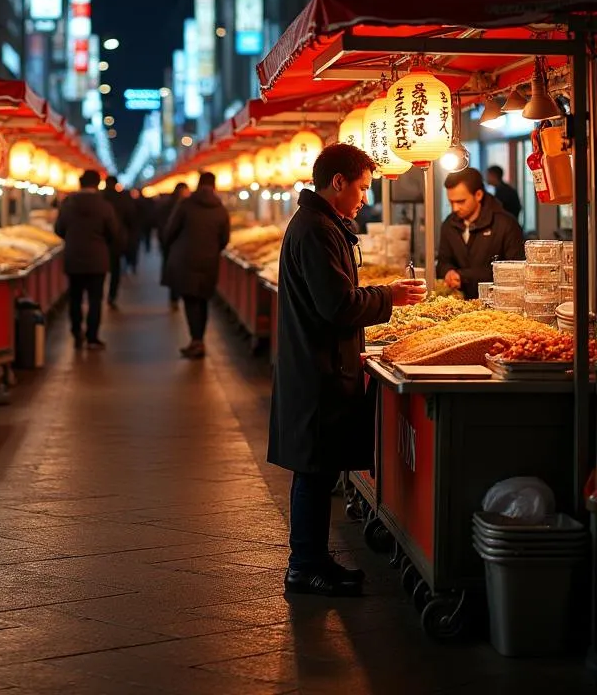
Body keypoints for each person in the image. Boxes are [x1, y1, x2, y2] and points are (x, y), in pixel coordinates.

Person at [268, 143, 426, 598]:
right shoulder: (316, 229)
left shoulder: (321, 224)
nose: (364, 197)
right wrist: (389, 297)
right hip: (316, 368)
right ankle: (305, 567)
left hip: (318, 363)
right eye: (362, 187)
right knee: (314, 471)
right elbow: (336, 304)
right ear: (338, 182)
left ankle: (314, 561)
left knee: (317, 471)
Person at [162, 171, 230, 359]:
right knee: (202, 300)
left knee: (191, 300)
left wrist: (170, 247)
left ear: (198, 185)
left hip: (186, 259)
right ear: (214, 186)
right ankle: (199, 340)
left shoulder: (185, 205)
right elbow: (225, 239)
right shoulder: (220, 209)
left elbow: (170, 231)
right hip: (209, 260)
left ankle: (196, 341)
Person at [55, 170, 120, 350]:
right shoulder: (104, 206)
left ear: (80, 183)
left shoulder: (68, 204)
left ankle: (76, 333)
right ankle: (92, 337)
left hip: (73, 257)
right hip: (97, 259)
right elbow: (113, 232)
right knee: (95, 299)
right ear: (98, 184)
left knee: (75, 298)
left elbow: (59, 229)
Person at [438, 167, 525, 298]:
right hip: (459, 304)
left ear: (478, 195)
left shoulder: (506, 224)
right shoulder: (449, 224)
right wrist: (448, 272)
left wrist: (463, 276)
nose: (455, 208)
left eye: (460, 201)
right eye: (451, 202)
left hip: (499, 306)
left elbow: (516, 272)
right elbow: (443, 262)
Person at [102, 174, 136, 308]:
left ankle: (98, 296)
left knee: (99, 271)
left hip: (99, 240)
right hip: (117, 239)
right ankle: (112, 295)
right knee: (115, 269)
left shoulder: (100, 197)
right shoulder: (123, 198)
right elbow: (131, 218)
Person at [156, 182, 189, 309]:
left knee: (172, 268)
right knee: (178, 269)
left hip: (169, 242)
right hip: (177, 243)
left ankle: (174, 294)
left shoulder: (167, 205)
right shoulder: (183, 207)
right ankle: (176, 293)